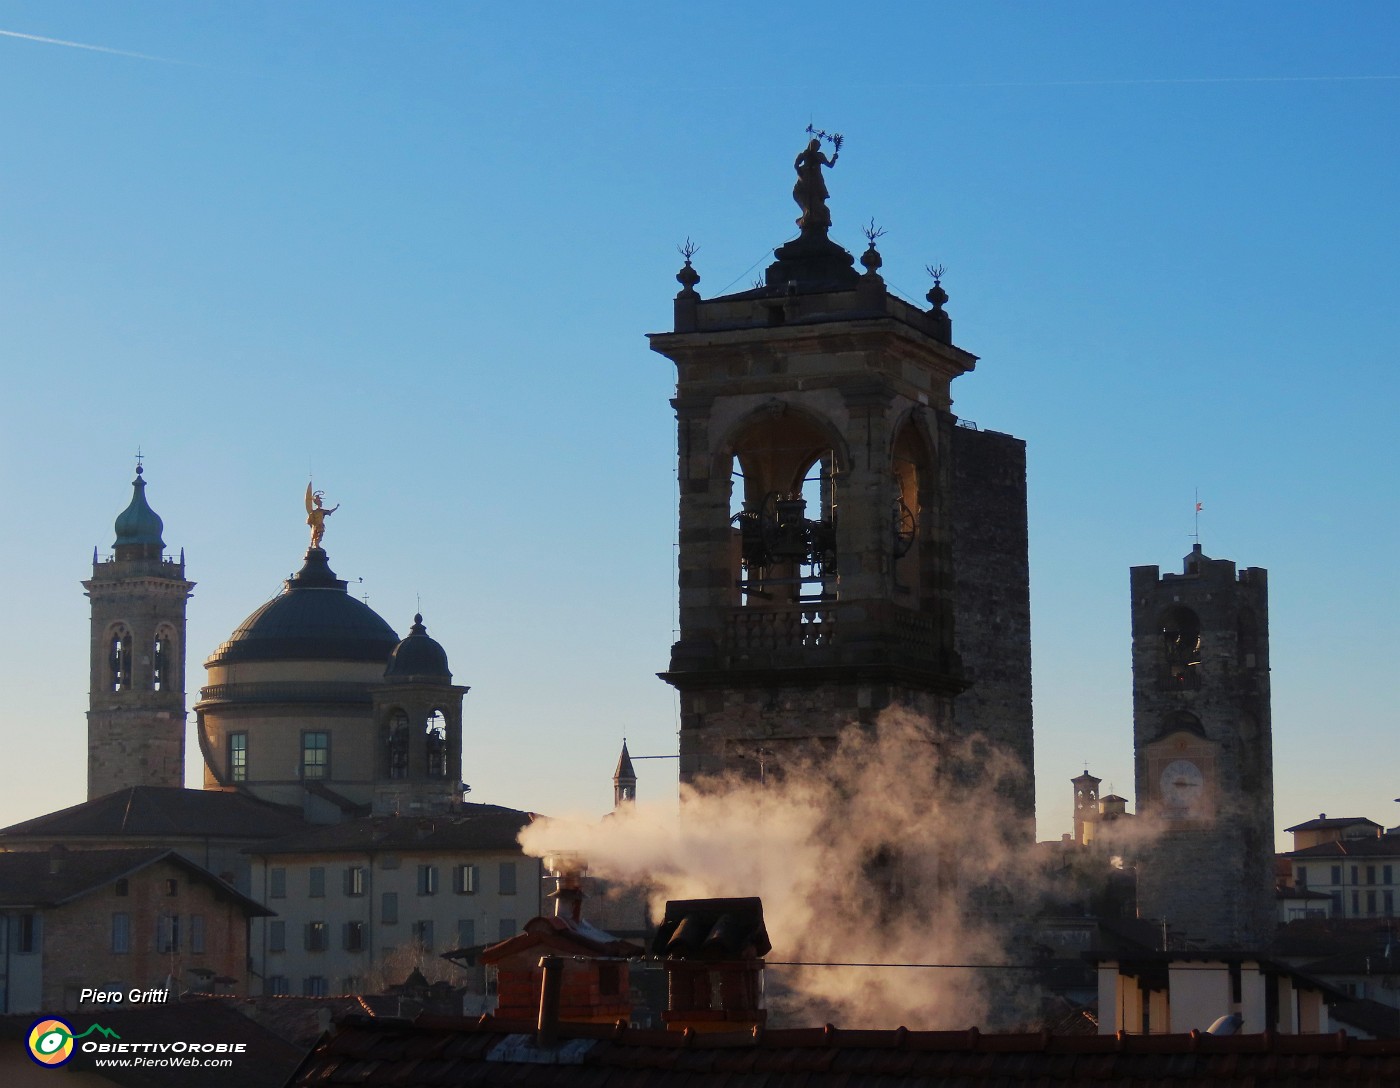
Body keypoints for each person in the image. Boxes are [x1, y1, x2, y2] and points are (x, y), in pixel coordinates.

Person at [793, 137, 838, 232]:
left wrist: (834, 158)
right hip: (807, 178)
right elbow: (796, 165)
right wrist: (800, 172)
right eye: (815, 145)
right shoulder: (805, 154)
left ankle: (816, 216)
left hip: (817, 179)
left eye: (818, 146)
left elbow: (830, 165)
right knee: (810, 199)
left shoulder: (819, 155)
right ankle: (809, 216)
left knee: (819, 197)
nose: (817, 148)